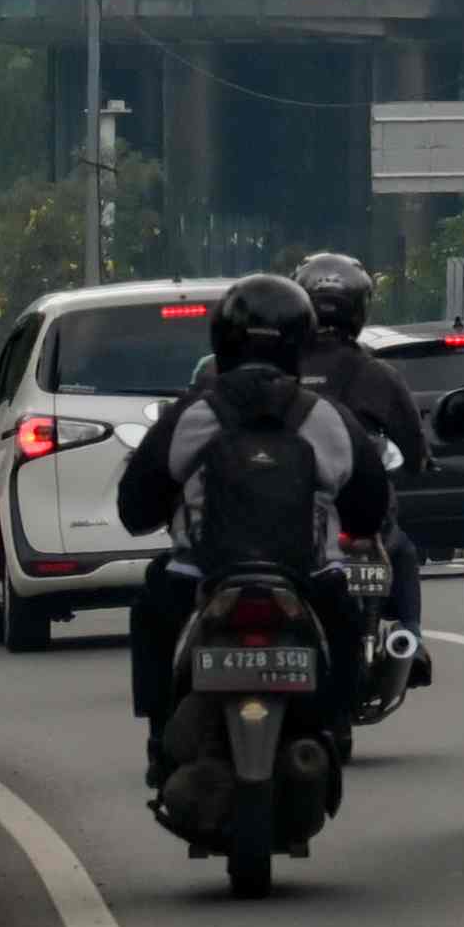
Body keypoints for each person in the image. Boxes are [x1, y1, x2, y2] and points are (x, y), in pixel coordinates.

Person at [116, 269, 366, 757]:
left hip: (198, 579)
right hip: (310, 580)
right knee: (346, 618)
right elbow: (369, 506)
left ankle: (160, 735)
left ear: (222, 340)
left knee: (152, 606)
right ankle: (336, 730)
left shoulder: (191, 414)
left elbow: (135, 507)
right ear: (301, 342)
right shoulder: (326, 417)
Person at [286, 250, 430, 659]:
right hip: (355, 511)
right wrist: (418, 463)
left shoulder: (277, 368)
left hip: (280, 511)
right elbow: (414, 448)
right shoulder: (377, 374)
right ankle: (412, 638)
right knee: (400, 550)